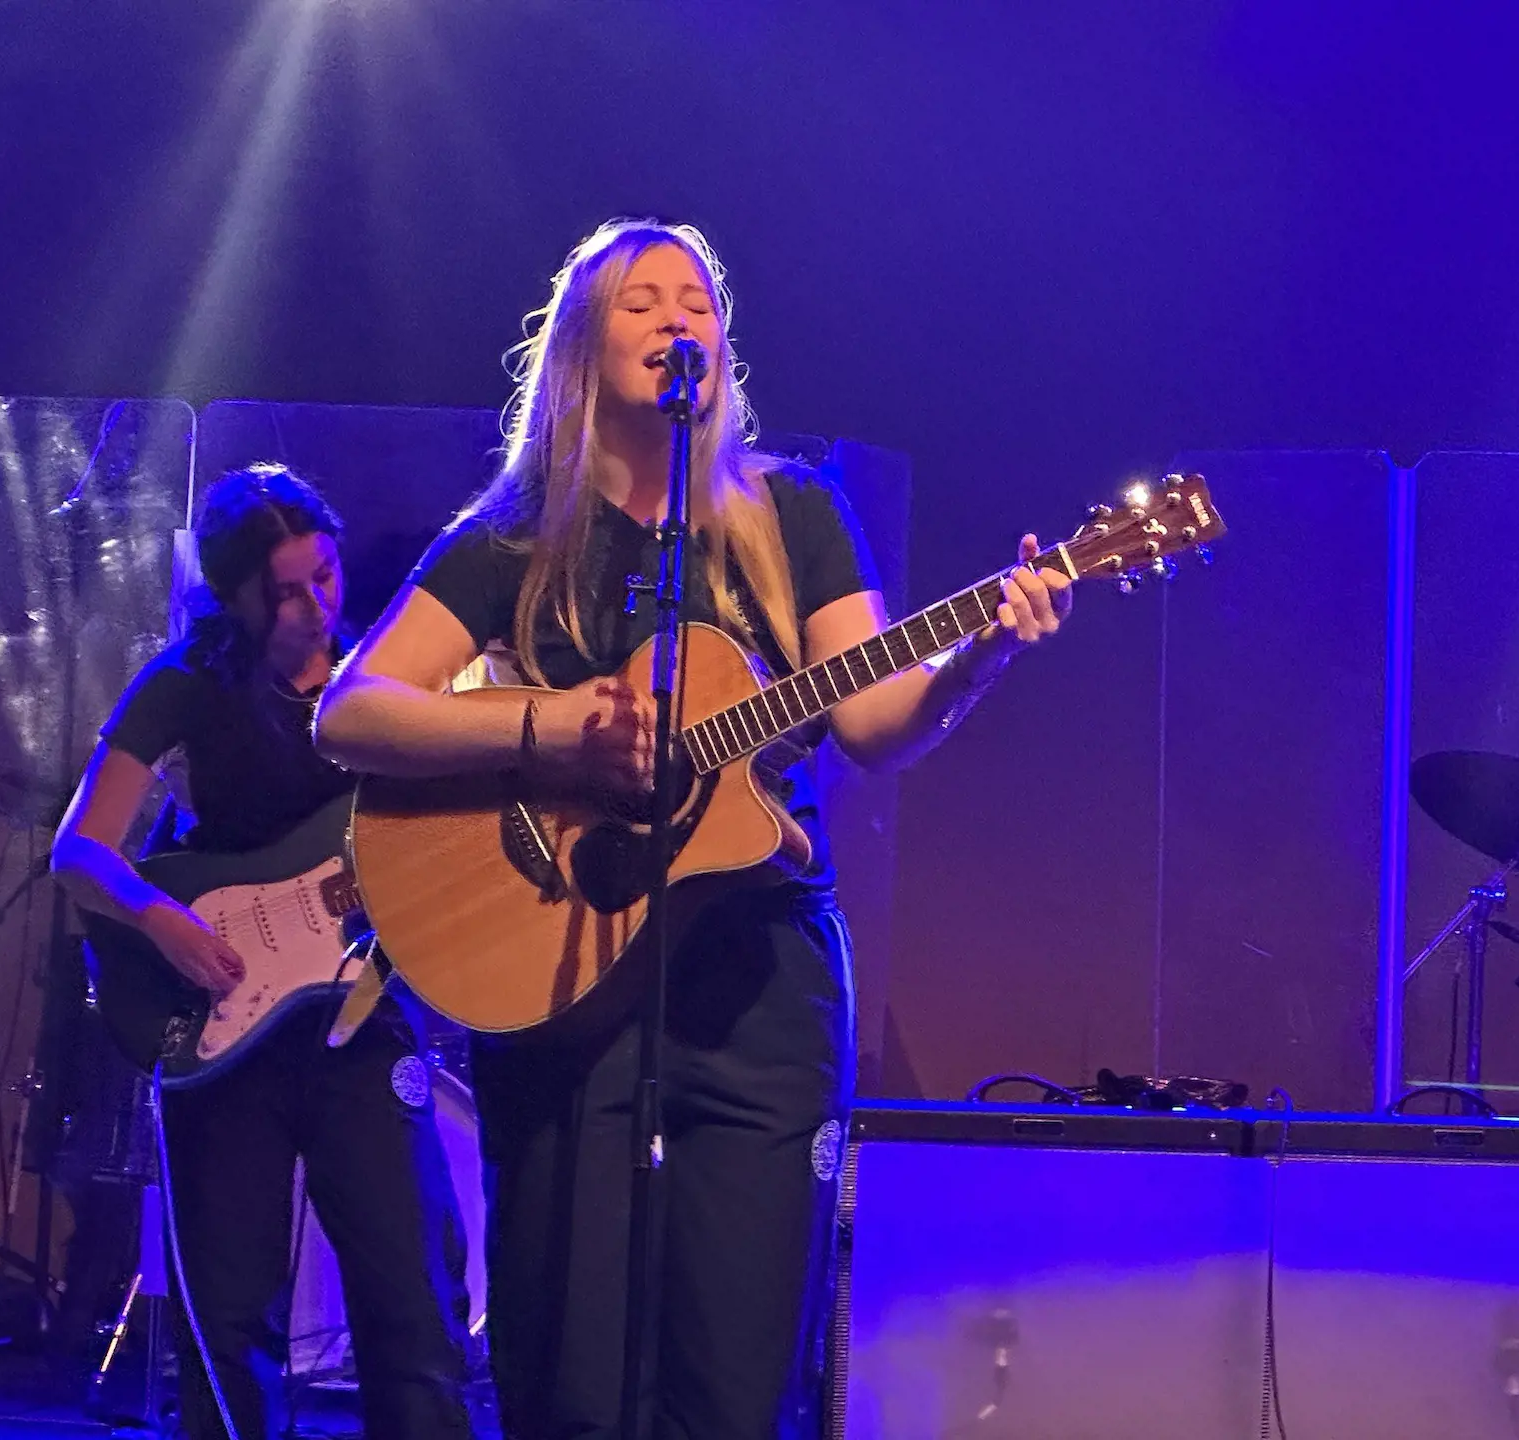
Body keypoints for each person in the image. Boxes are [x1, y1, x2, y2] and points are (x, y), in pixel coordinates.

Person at [311, 218, 1073, 1439]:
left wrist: (979, 653)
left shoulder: (790, 516)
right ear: (580, 346)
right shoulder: (515, 535)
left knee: (737, 1366)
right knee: (572, 1368)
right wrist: (550, 732)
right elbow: (352, 715)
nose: (680, 321)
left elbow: (873, 722)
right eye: (643, 302)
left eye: (700, 303)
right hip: (563, 979)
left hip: (758, 977)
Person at [50, 464, 474, 1440]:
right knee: (229, 1322)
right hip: (223, 1025)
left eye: (324, 575)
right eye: (283, 591)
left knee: (415, 1293)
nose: (314, 605)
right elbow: (79, 848)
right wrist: (165, 921)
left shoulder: (382, 687)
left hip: (360, 1017)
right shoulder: (187, 684)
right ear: (232, 593)